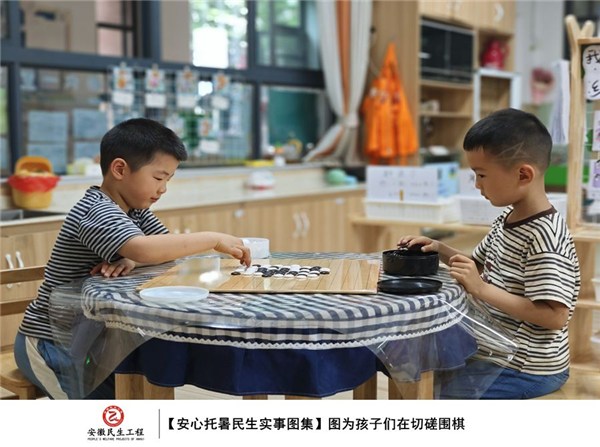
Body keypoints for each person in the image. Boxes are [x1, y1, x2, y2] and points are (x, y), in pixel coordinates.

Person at [13, 118, 252, 399]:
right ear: (119, 169)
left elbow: (162, 250)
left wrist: (133, 260)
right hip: (50, 343)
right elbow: (145, 248)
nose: (163, 189)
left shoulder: (135, 211)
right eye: (159, 178)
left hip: (90, 341)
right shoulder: (95, 210)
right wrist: (212, 238)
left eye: (168, 180)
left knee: (134, 392)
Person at [398, 108, 580, 399]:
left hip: (527, 366)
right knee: (415, 370)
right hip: (494, 348)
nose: (477, 184)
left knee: (436, 394)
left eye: (481, 174)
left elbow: (555, 316)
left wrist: (481, 289)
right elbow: (478, 265)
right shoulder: (508, 218)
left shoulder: (545, 236)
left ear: (523, 174)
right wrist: (438, 248)